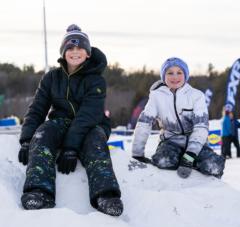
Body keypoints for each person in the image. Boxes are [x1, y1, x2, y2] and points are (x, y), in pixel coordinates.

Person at [18, 24, 123, 216]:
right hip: (61, 121)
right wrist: (26, 139)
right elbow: (37, 109)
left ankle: (105, 195)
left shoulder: (96, 80)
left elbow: (87, 116)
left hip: (92, 124)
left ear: (88, 53)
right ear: (63, 52)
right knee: (43, 133)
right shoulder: (51, 78)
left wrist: (70, 147)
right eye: (70, 48)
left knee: (95, 142)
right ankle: (39, 191)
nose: (75, 52)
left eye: (80, 48)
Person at [132, 57, 225, 178]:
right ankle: (176, 159)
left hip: (196, 144)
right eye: (170, 73)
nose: (175, 77)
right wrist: (137, 154)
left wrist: (190, 155)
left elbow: (201, 127)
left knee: (213, 166)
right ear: (163, 76)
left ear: (185, 75)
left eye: (179, 72)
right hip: (170, 142)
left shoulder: (196, 96)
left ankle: (191, 161)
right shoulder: (156, 97)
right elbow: (144, 123)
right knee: (163, 161)